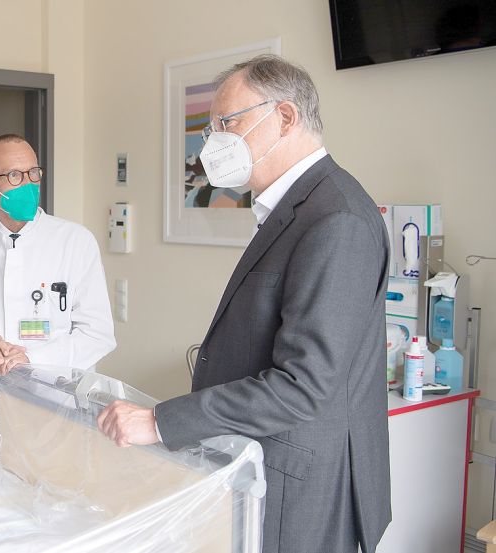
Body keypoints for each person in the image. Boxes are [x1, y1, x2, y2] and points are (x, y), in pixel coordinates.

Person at [97, 55, 391, 553]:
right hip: (262, 459)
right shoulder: (298, 208)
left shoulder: (336, 219)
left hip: (299, 480)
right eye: (211, 129)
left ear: (285, 117)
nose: (215, 143)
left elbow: (303, 386)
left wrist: (161, 421)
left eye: (227, 124)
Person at [0, 134, 115, 376]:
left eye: (33, 173)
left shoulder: (76, 242)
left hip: (59, 394)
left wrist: (31, 358)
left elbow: (97, 334)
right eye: (14, 176)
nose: (28, 184)